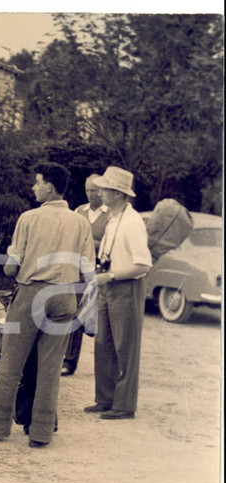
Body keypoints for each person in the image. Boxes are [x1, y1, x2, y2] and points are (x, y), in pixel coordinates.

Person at [0, 162, 95, 448]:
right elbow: (88, 270)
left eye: (37, 182)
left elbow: (12, 269)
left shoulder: (28, 218)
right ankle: (40, 432)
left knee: (10, 365)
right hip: (66, 296)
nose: (33, 187)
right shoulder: (80, 222)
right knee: (51, 368)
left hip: (31, 295)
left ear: (49, 187)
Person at [84, 166, 152, 420]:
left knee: (125, 345)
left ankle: (124, 405)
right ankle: (105, 398)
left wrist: (111, 275)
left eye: (104, 189)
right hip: (108, 284)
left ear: (117, 193)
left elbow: (143, 265)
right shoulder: (114, 217)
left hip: (125, 286)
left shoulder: (133, 223)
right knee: (103, 343)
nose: (100, 192)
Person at [61, 174, 109, 376]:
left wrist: (89, 242)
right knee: (75, 312)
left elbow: (109, 243)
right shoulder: (79, 211)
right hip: (79, 269)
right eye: (88, 190)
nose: (90, 194)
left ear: (103, 191)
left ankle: (105, 367)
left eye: (95, 190)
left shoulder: (110, 215)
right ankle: (69, 361)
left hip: (101, 270)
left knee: (98, 316)